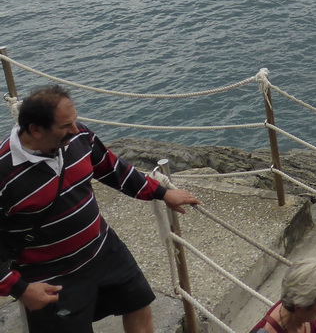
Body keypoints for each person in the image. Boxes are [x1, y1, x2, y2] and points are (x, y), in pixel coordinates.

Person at [0, 86, 201, 333]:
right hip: (51, 275)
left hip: (103, 249)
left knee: (139, 305)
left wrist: (162, 193)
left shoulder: (79, 137)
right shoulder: (4, 173)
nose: (75, 130)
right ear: (35, 130)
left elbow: (112, 168)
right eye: (66, 126)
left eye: (74, 122)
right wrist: (20, 289)